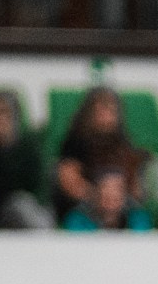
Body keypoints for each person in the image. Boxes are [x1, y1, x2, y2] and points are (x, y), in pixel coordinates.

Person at [55, 87, 149, 224]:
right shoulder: (75, 144)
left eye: (110, 110)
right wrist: (101, 195)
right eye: (101, 110)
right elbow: (70, 182)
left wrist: (118, 195)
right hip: (86, 207)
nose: (106, 115)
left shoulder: (123, 143)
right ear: (89, 113)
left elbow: (135, 188)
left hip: (121, 206)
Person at [0, 89, 54, 229]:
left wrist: (2, 148)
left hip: (17, 209)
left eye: (2, 112)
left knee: (21, 204)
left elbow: (33, 188)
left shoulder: (26, 148)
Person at [62, 168, 152, 231]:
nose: (111, 197)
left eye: (116, 196)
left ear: (125, 195)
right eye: (106, 195)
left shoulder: (137, 217)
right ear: (95, 194)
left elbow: (141, 236)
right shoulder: (78, 218)